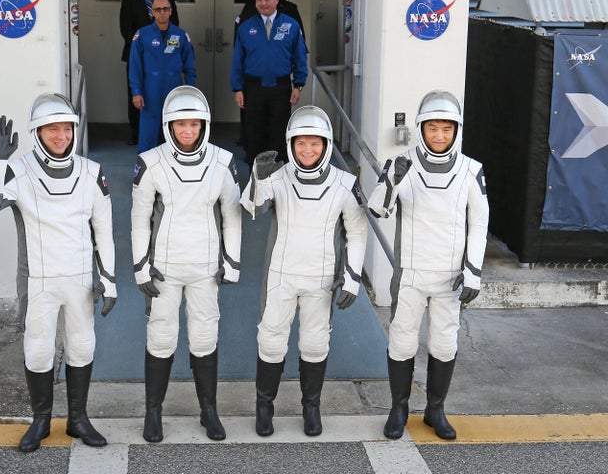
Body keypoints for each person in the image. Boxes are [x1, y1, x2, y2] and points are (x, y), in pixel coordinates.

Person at [0, 93, 117, 452]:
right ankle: (40, 420)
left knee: (82, 347)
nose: (61, 136)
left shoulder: (92, 172)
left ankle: (78, 420)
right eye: (52, 129)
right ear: (38, 132)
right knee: (38, 351)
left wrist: (110, 280)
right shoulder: (18, 170)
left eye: (66, 128)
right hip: (38, 279)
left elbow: (104, 232)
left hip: (80, 278)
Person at [367, 90, 489, 441]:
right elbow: (378, 209)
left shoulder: (470, 170)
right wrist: (393, 179)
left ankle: (435, 409)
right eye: (432, 128)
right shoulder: (401, 163)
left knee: (444, 343)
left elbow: (479, 223)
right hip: (411, 274)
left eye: (446, 129)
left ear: (457, 130)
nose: (439, 136)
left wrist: (473, 270)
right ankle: (398, 408)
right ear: (421, 128)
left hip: (451, 275)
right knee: (402, 342)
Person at [240, 106, 368, 437]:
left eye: (314, 143)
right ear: (290, 144)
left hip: (322, 278)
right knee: (271, 342)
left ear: (326, 145)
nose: (307, 150)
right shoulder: (278, 176)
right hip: (281, 276)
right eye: (300, 144)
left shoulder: (345, 183)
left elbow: (357, 231)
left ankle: (311, 407)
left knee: (314, 345)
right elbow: (252, 207)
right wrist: (258, 174)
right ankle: (264, 407)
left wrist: (352, 279)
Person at [131, 85, 241, 443]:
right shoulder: (150, 162)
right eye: (181, 125)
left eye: (194, 124)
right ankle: (153, 412)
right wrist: (140, 266)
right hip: (164, 265)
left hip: (206, 265)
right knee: (161, 336)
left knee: (205, 336)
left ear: (204, 125)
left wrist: (232, 261)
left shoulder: (222, 162)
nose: (188, 131)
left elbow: (232, 215)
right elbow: (139, 218)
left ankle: (208, 411)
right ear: (169, 126)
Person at [231, 0, 308, 166]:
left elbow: (300, 57)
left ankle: (278, 176)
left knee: (278, 133)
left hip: (280, 88)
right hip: (253, 88)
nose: (263, 3)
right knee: (254, 134)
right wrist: (238, 89)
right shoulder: (245, 27)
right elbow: (237, 61)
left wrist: (298, 85)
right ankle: (255, 179)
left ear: (276, 0)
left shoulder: (291, 25)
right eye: (259, 0)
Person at [120, 0, 179, 144]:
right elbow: (126, 29)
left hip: (163, 57)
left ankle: (163, 134)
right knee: (136, 92)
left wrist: (160, 49)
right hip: (136, 54)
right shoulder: (129, 1)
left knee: (163, 94)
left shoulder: (166, 0)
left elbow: (174, 25)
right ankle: (136, 133)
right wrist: (144, 47)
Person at [130, 0, 196, 154]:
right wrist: (136, 92)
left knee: (174, 133)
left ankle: (174, 172)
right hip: (150, 90)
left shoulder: (180, 35)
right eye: (158, 9)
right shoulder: (142, 35)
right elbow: (134, 66)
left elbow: (190, 67)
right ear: (152, 12)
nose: (162, 13)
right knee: (148, 134)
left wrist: (190, 92)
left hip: (174, 89)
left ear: (171, 11)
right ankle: (144, 173)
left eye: (165, 9)